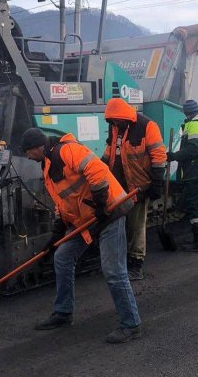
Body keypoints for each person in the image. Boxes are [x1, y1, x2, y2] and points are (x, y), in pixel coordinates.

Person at [20, 127, 142, 344]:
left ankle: (131, 324)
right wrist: (56, 237)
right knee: (62, 256)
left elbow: (96, 170)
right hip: (88, 219)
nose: (28, 157)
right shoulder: (48, 165)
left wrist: (100, 202)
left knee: (113, 270)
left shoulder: (68, 150)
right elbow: (63, 203)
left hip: (109, 212)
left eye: (28, 152)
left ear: (37, 147)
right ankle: (63, 313)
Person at [102, 98, 167, 280]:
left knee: (136, 226)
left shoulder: (147, 126)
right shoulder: (115, 127)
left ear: (124, 118)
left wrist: (156, 183)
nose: (114, 124)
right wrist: (100, 167)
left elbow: (158, 155)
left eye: (116, 121)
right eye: (112, 121)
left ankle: (136, 264)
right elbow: (110, 149)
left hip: (138, 186)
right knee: (120, 224)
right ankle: (122, 259)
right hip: (118, 186)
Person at [166, 99, 198, 253]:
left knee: (195, 206)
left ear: (186, 112)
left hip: (197, 172)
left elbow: (195, 149)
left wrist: (174, 156)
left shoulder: (195, 124)